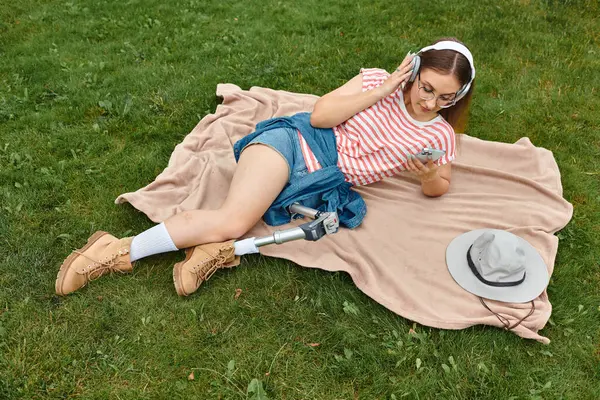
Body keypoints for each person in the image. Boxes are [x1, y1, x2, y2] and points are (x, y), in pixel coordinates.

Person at [55, 37, 476, 297]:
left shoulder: (438, 135)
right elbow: (320, 116)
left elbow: (439, 185)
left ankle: (215, 250)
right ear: (415, 71)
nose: (430, 102)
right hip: (295, 142)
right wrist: (386, 89)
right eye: (426, 88)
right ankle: (116, 250)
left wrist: (426, 178)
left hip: (320, 183)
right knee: (235, 218)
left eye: (446, 98)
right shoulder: (375, 82)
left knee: (237, 225)